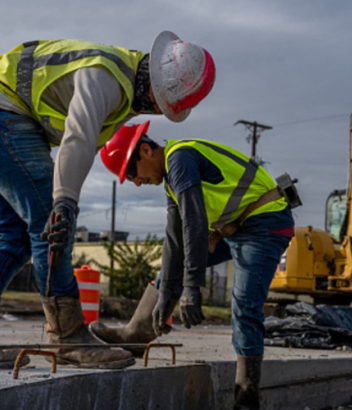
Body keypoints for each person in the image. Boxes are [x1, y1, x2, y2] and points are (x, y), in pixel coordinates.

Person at [0, 31, 216, 369]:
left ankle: (65, 333)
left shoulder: (126, 81)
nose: (157, 110)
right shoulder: (106, 76)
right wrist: (65, 202)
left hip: (10, 114)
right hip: (6, 112)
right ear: (154, 83)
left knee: (15, 237)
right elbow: (79, 136)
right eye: (160, 103)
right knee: (50, 223)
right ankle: (66, 336)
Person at [94, 121, 295, 409]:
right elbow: (175, 242)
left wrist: (191, 288)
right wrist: (166, 294)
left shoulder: (180, 159)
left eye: (131, 172)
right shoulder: (170, 179)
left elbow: (195, 222)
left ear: (146, 150)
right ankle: (137, 334)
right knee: (174, 265)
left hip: (266, 222)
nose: (136, 182)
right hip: (238, 225)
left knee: (245, 305)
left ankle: (247, 397)